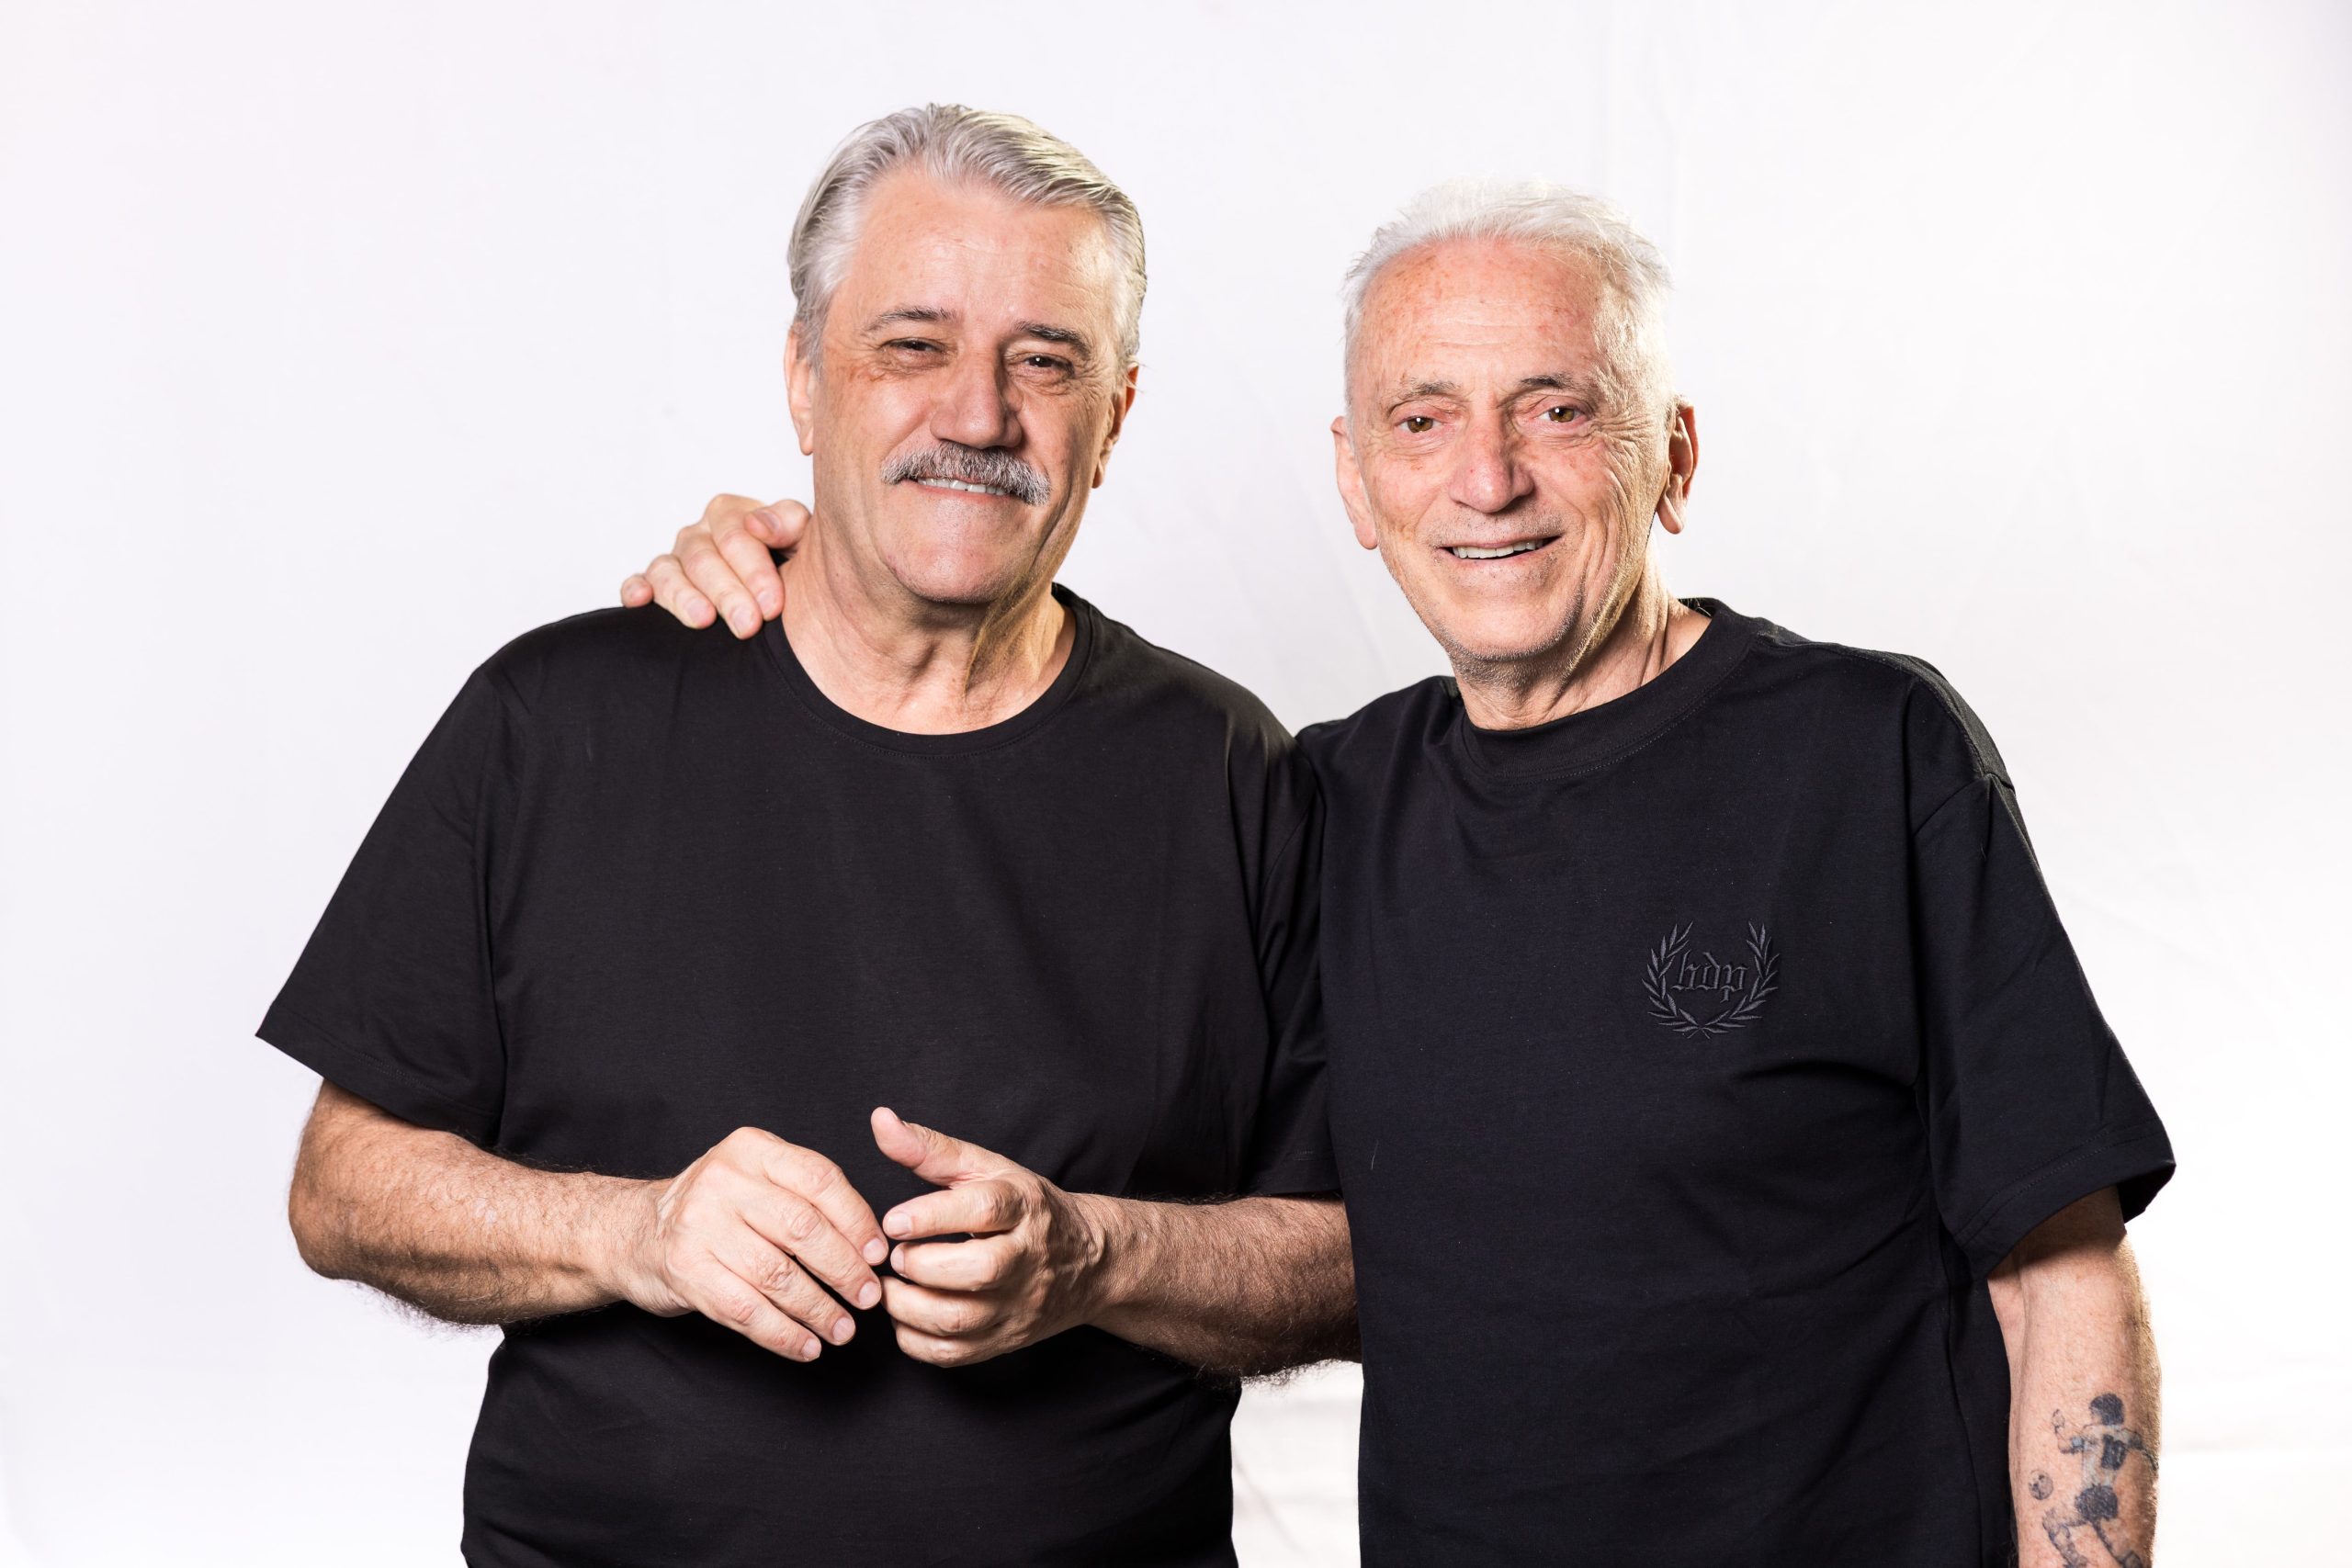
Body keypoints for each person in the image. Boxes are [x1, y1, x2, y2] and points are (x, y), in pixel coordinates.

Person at [635, 180, 2172, 1565]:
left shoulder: (1865, 753)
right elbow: (1000, 788)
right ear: (1357, 485)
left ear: (1674, 455)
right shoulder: (1323, 802)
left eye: (1556, 409)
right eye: (1421, 421)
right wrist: (805, 568)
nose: (1486, 478)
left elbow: (2063, 1275)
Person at [260, 105, 1353, 1568]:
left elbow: (1352, 1258)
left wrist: (1099, 1259)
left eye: (1045, 361)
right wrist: (637, 1232)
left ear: (1116, 416)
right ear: (803, 376)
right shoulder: (558, 718)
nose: (978, 415)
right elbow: (341, 1187)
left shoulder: (1230, 771)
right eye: (912, 345)